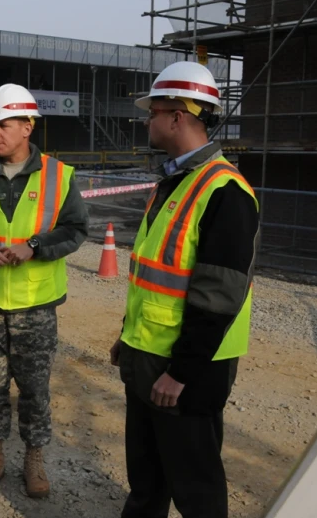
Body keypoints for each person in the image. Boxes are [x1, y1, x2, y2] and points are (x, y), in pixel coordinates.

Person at [110, 60, 261, 518]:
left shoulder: (224, 191)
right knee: (147, 481)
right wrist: (128, 336)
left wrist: (183, 372)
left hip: (185, 371)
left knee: (196, 488)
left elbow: (219, 295)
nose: (147, 121)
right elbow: (152, 277)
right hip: (148, 355)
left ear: (178, 117)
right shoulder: (173, 183)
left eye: (154, 112)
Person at [0, 83, 89, 499]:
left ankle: (33, 460)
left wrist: (35, 246)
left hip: (35, 308)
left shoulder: (59, 176)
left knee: (35, 391)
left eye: (4, 125)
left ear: (28, 126)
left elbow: (76, 228)